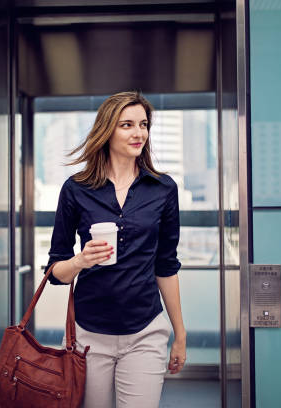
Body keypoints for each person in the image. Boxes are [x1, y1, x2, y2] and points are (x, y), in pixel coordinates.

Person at [45, 91, 186, 408]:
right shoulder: (75, 189)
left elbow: (166, 266)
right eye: (127, 125)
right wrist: (80, 261)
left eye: (143, 125)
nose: (139, 133)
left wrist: (180, 333)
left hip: (145, 331)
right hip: (89, 335)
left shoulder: (163, 189)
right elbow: (56, 272)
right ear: (107, 130)